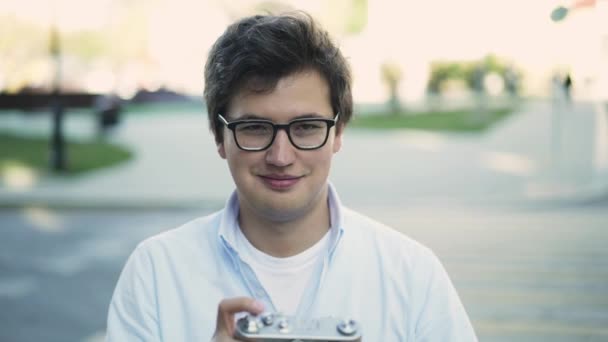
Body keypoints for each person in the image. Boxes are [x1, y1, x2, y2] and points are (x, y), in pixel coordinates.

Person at [106, 12, 477, 341]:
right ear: (219, 136)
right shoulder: (156, 273)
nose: (281, 157)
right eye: (254, 127)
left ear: (339, 133)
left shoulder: (412, 275)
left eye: (306, 127)